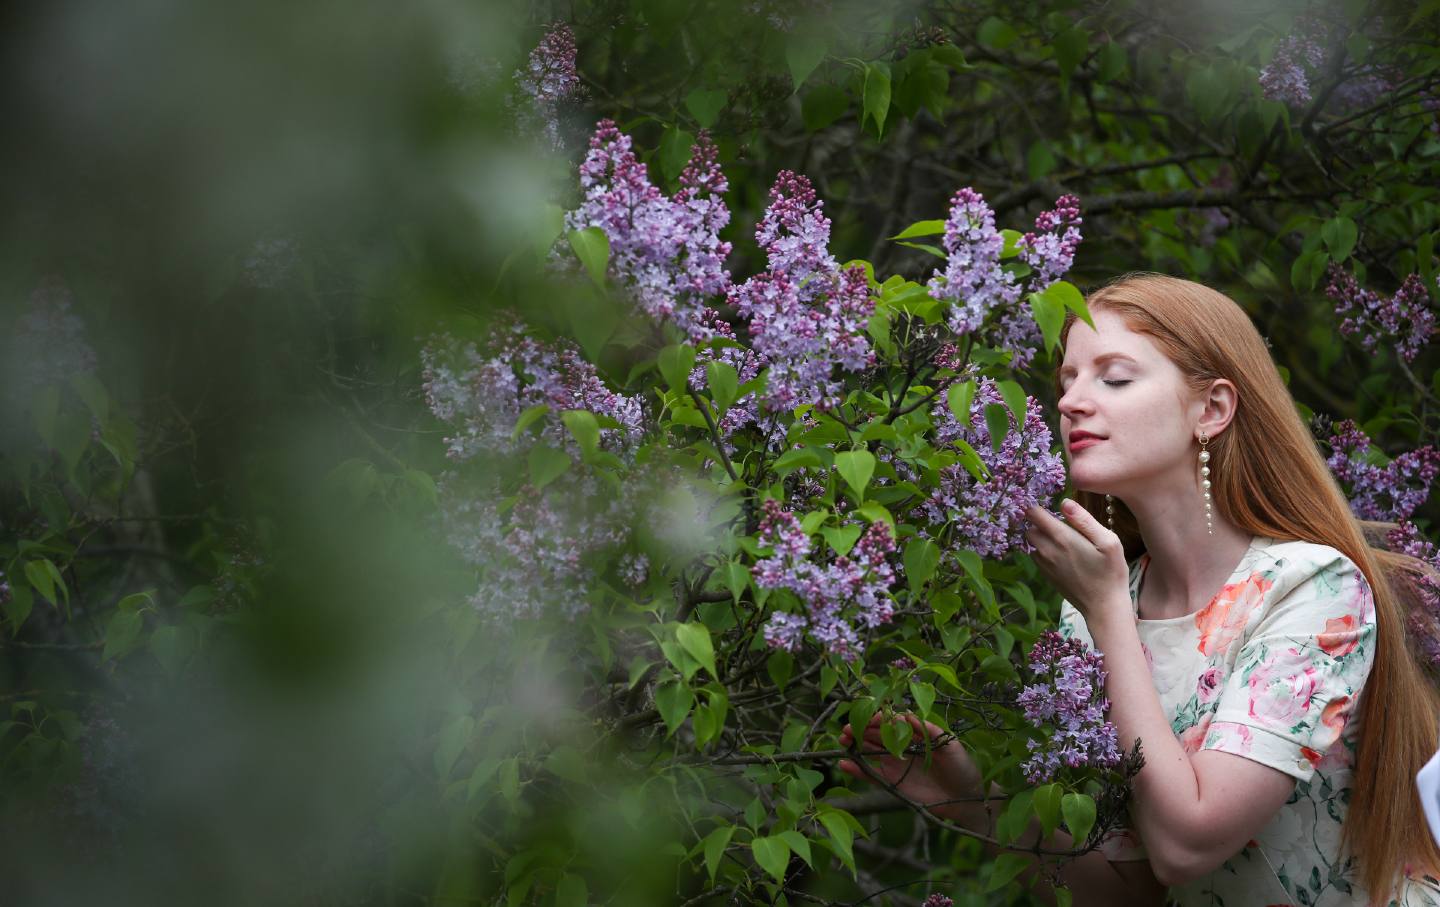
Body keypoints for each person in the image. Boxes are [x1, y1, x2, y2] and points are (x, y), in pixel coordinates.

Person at [838, 273, 1440, 906]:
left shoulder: (1313, 587)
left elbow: (1188, 846)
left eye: (1114, 377)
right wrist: (980, 808)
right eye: (1066, 382)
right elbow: (1129, 895)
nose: (1071, 402)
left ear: (1211, 409)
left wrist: (1105, 615)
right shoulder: (1101, 609)